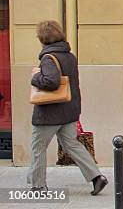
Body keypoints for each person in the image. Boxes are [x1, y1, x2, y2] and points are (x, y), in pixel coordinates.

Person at [28, 20, 107, 195]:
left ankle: (38, 186)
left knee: (38, 147)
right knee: (72, 144)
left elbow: (51, 82)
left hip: (50, 114)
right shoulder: (69, 55)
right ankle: (97, 176)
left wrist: (35, 77)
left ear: (43, 38)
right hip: (69, 110)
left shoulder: (49, 58)